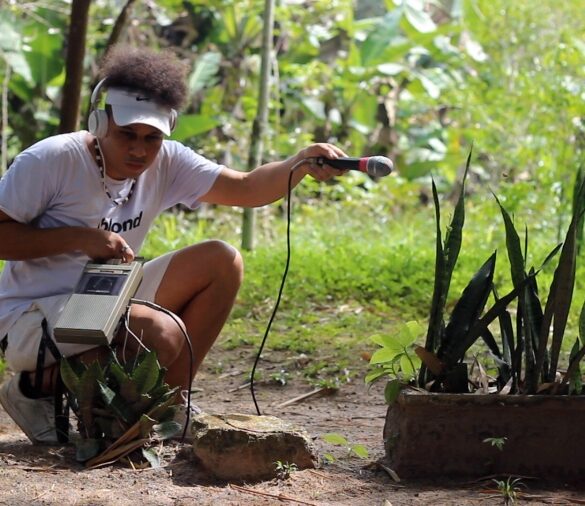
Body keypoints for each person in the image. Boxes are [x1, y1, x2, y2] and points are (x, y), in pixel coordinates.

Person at [0, 45, 347, 445]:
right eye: (127, 134)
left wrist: (299, 162)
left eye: (152, 138)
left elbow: (248, 187)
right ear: (99, 122)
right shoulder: (51, 159)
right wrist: (82, 238)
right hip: (30, 318)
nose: (139, 149)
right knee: (159, 333)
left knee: (222, 260)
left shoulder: (166, 160)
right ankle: (31, 391)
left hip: (106, 295)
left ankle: (170, 405)